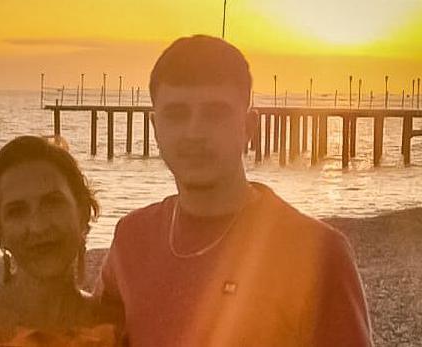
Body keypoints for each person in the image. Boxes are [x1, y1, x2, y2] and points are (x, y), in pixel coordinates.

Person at [94, 35, 372, 346]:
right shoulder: (133, 238)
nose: (194, 132)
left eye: (215, 113)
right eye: (177, 114)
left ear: (249, 127)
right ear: (155, 127)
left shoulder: (317, 253)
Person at [0, 135, 120, 346]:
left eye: (52, 203)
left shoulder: (115, 325)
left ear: (82, 212)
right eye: (17, 211)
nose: (38, 226)